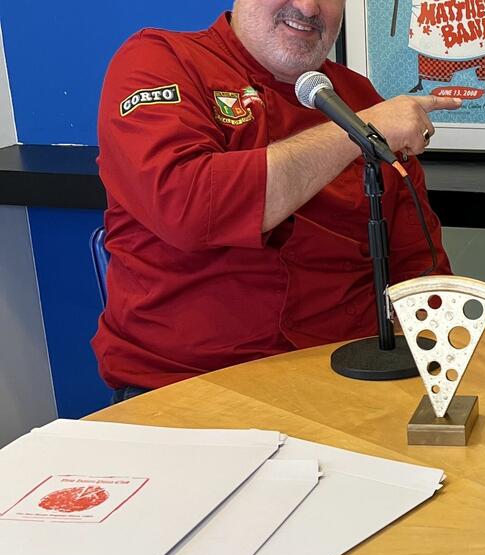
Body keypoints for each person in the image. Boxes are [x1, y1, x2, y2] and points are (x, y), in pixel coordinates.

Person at [94, 0, 460, 402]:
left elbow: (420, 268)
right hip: (189, 385)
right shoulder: (161, 61)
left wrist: (438, 378)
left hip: (347, 376)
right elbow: (188, 208)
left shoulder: (359, 96)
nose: (308, 7)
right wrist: (359, 133)